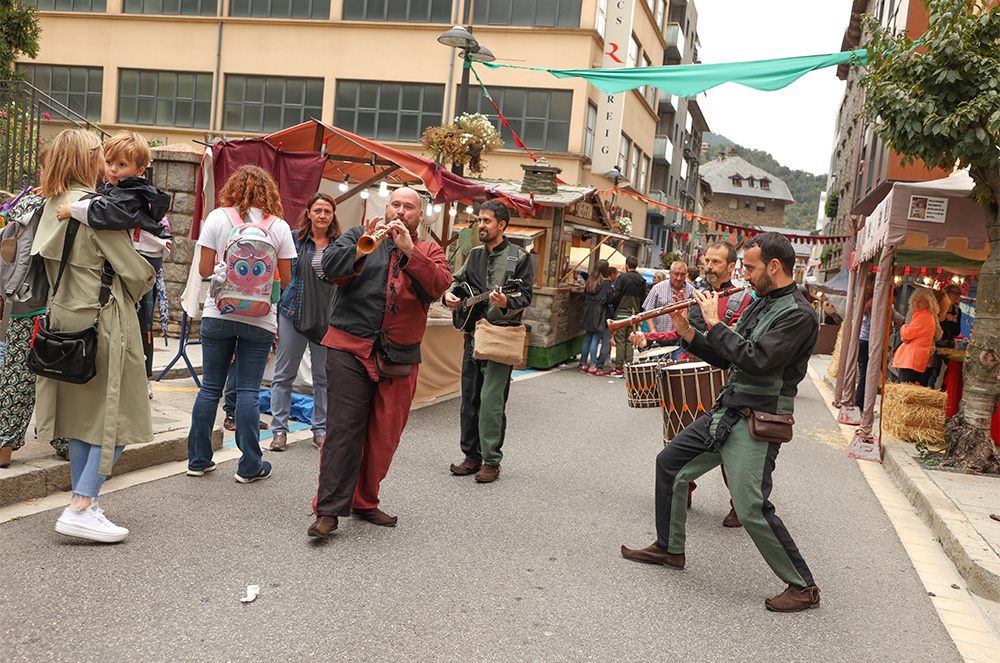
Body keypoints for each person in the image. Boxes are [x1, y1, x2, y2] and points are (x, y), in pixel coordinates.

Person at [621, 232, 821, 613]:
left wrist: (713, 322)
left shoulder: (798, 314)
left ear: (774, 267)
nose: (744, 274)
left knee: (750, 506)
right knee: (670, 464)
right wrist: (690, 333)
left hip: (757, 419)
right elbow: (729, 355)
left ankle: (803, 586)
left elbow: (756, 359)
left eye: (750, 267)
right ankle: (669, 547)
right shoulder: (760, 303)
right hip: (728, 410)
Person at [33, 128, 156, 542]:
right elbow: (135, 273)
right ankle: (82, 504)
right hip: (104, 319)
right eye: (99, 155)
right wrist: (150, 270)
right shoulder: (96, 209)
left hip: (62, 318)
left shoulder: (49, 204)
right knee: (121, 416)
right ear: (85, 160)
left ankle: (85, 502)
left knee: (81, 419)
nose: (107, 163)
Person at [307, 187, 451, 538]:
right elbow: (328, 270)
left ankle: (364, 501)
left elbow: (437, 288)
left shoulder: (430, 250)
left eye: (409, 207)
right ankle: (328, 510)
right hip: (349, 348)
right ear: (386, 208)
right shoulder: (359, 234)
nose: (401, 211)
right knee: (343, 430)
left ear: (420, 216)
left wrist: (409, 251)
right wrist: (362, 245)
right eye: (396, 205)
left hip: (398, 356)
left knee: (384, 436)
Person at [631, 241, 751, 527]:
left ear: (731, 267)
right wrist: (650, 338)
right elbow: (684, 333)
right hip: (690, 369)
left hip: (723, 377)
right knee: (681, 434)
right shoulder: (698, 295)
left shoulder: (744, 300)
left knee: (727, 443)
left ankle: (739, 504)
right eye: (706, 261)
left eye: (716, 262)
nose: (708, 267)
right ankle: (683, 489)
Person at [186, 165, 295, 483]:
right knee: (248, 390)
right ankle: (249, 466)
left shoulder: (218, 218)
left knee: (209, 388)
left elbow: (205, 269)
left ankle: (198, 460)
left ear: (232, 189)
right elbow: (285, 280)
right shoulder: (279, 226)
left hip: (218, 314)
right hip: (260, 319)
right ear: (269, 192)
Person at [56, 130, 173, 400]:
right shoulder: (121, 188)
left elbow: (107, 214)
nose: (113, 170)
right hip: (139, 259)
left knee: (139, 324)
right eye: (109, 162)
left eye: (122, 165)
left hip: (143, 261)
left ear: (139, 169)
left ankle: (141, 378)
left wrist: (70, 210)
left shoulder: (133, 193)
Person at [443, 200, 534, 483]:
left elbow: (526, 296)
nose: (480, 225)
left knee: (491, 401)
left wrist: (507, 300)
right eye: (479, 220)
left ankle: (491, 461)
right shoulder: (475, 254)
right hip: (473, 335)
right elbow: (457, 283)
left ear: (502, 225)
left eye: (486, 221)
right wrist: (450, 296)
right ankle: (471, 457)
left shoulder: (518, 257)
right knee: (469, 399)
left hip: (501, 336)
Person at [0, 152, 70, 468]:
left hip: (20, 301)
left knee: (16, 373)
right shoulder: (68, 206)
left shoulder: (25, 203)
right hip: (55, 302)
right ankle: (65, 441)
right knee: (61, 372)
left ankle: (3, 445)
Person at [269, 192, 341, 452]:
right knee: (284, 374)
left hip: (327, 319)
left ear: (333, 216)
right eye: (318, 210)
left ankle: (320, 430)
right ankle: (279, 431)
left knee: (323, 378)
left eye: (328, 211)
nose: (322, 215)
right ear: (308, 213)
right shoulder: (292, 238)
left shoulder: (339, 245)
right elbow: (280, 276)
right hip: (292, 312)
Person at [891, 288, 940, 386]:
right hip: (914, 357)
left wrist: (904, 327)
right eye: (915, 300)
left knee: (906, 387)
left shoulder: (924, 316)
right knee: (910, 386)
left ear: (928, 303)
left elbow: (907, 333)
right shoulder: (923, 315)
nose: (916, 303)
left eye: (920, 301)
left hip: (912, 358)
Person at [609, 256, 647, 377]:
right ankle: (629, 367)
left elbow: (616, 295)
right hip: (634, 315)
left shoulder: (622, 277)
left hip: (621, 313)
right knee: (630, 341)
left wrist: (614, 305)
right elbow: (643, 300)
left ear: (626, 265)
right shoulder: (642, 280)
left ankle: (619, 368)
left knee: (620, 341)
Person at [579, 259, 614, 375]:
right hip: (600, 312)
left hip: (588, 310)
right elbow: (610, 299)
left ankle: (583, 363)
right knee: (595, 339)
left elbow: (584, 296)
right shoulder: (606, 283)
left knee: (587, 337)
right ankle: (593, 365)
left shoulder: (589, 281)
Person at [643, 261, 696, 335]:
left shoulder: (692, 291)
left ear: (686, 275)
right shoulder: (657, 288)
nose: (679, 278)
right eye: (676, 274)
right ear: (670, 273)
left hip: (683, 338)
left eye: (682, 275)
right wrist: (652, 330)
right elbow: (648, 310)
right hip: (661, 335)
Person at [855, 282, 875, 408]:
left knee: (863, 374)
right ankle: (860, 404)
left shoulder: (864, 305)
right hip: (867, 341)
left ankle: (860, 404)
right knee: (865, 375)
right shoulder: (873, 305)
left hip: (862, 340)